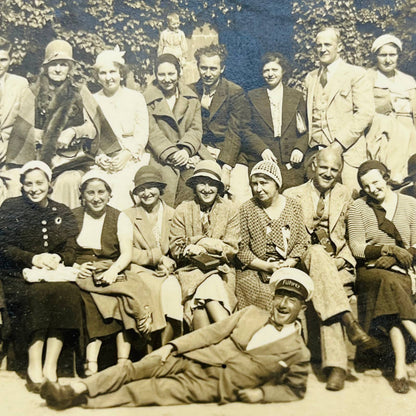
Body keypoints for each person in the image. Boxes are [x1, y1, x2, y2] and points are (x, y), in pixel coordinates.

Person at [41, 268, 313, 409]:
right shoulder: (251, 313)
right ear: (273, 297)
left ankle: (83, 402)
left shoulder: (298, 352)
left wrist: (263, 393)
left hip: (213, 385)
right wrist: (171, 347)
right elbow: (210, 333)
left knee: (150, 392)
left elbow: (294, 390)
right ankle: (75, 389)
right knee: (135, 368)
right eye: (281, 296)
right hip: (191, 357)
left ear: (302, 308)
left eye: (293, 300)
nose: (284, 304)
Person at [284, 147, 376, 391]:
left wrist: (341, 261)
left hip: (338, 263)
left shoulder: (347, 195)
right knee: (316, 254)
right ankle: (347, 326)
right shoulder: (292, 195)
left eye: (334, 170)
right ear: (313, 165)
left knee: (328, 289)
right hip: (305, 260)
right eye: (324, 167)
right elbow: (291, 237)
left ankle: (336, 367)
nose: (328, 173)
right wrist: (322, 260)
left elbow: (354, 231)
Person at [5, 39, 118, 208]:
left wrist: (74, 131)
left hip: (71, 160)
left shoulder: (79, 89)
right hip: (39, 158)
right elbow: (22, 129)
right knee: (19, 183)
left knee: (69, 181)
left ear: (70, 68)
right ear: (46, 66)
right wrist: (45, 136)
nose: (58, 69)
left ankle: (63, 229)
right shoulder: (32, 91)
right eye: (53, 64)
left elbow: (93, 127)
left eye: (63, 64)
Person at [0, 161, 81, 392]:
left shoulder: (61, 211)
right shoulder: (11, 207)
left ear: (50, 183)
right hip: (18, 274)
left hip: (53, 274)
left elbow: (70, 248)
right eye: (28, 184)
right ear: (22, 186)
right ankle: (34, 366)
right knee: (39, 293)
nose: (34, 189)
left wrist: (58, 259)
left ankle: (50, 366)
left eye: (39, 183)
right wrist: (33, 259)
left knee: (67, 292)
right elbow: (4, 246)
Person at [73, 170, 150, 376]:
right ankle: (92, 362)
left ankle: (122, 361)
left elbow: (126, 253)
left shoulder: (119, 217)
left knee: (123, 299)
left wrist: (114, 270)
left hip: (111, 266)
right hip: (83, 270)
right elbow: (66, 251)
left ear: (109, 194)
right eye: (90, 193)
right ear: (82, 195)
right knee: (91, 299)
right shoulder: (73, 216)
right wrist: (76, 267)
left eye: (101, 192)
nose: (96, 198)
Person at [348, 160, 416, 394]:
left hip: (402, 270)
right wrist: (386, 250)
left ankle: (399, 368)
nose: (372, 189)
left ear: (386, 177)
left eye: (376, 182)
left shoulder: (409, 204)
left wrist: (399, 258)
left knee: (393, 287)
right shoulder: (358, 208)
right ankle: (405, 357)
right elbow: (357, 247)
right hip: (371, 270)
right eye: (366, 186)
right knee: (388, 282)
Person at [169, 160, 239, 329]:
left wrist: (201, 243)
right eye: (202, 183)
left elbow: (231, 248)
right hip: (190, 270)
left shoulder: (230, 209)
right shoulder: (183, 209)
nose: (207, 189)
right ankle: (231, 337)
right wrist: (197, 247)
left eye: (212, 184)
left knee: (199, 306)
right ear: (194, 186)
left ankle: (204, 351)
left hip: (222, 270)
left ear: (219, 188)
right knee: (206, 291)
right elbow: (176, 248)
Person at [304, 26, 374, 193]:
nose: (322, 49)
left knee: (350, 202)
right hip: (316, 154)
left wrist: (338, 145)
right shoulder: (311, 77)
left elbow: (365, 113)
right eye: (319, 45)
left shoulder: (356, 74)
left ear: (339, 47)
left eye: (327, 44)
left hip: (347, 155)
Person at [236, 160, 310, 311]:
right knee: (260, 294)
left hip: (290, 266)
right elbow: (242, 250)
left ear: (276, 183)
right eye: (254, 184)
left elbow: (302, 241)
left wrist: (289, 262)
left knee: (291, 295)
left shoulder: (294, 206)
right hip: (257, 269)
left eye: (264, 183)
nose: (258, 189)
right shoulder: (246, 209)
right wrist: (267, 267)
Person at [124, 165, 183, 346]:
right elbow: (127, 251)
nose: (147, 193)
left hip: (167, 272)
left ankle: (164, 349)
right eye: (141, 189)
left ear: (161, 188)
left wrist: (171, 262)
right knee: (153, 291)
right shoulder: (128, 216)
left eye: (151, 187)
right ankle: (151, 350)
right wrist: (156, 257)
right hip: (139, 270)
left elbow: (179, 246)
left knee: (172, 290)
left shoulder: (174, 214)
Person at [144, 53, 211, 207]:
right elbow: (152, 132)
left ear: (179, 73)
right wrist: (172, 154)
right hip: (161, 155)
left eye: (171, 73)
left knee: (200, 182)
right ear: (155, 75)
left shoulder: (191, 98)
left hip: (189, 153)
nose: (167, 79)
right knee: (164, 184)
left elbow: (195, 129)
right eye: (161, 74)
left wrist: (185, 151)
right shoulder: (147, 100)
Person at [191, 43, 251, 202]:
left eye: (213, 69)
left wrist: (226, 168)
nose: (208, 74)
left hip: (230, 154)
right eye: (204, 68)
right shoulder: (189, 91)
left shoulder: (234, 92)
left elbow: (235, 133)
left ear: (222, 69)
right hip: (199, 152)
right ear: (198, 67)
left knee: (239, 195)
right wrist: (199, 153)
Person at [92, 47, 149, 210]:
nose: (108, 77)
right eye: (103, 73)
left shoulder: (136, 98)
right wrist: (100, 156)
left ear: (121, 74)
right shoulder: (93, 100)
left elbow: (142, 132)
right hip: (105, 161)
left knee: (124, 186)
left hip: (132, 158)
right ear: (97, 76)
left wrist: (127, 154)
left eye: (113, 72)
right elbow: (91, 136)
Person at [244, 51, 308, 192]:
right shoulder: (252, 96)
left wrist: (299, 148)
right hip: (263, 159)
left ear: (283, 71)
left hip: (291, 161)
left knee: (292, 195)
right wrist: (262, 149)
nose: (270, 74)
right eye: (266, 70)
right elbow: (245, 130)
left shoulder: (296, 96)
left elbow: (306, 130)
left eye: (274, 69)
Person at [366, 34, 416, 184]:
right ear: (376, 56)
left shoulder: (408, 81)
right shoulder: (368, 77)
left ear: (398, 56)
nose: (388, 60)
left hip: (409, 133)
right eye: (383, 55)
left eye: (392, 55)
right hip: (382, 132)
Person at [0, 37, 28, 201]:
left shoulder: (20, 84)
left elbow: (24, 124)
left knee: (17, 188)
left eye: (3, 60)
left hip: (12, 155)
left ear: (10, 61)